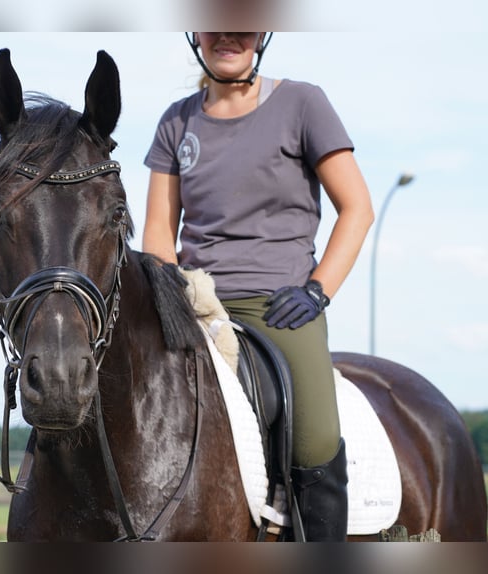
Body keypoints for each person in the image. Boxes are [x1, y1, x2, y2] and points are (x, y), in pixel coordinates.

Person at [142, 32, 374, 541]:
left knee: (313, 441)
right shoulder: (175, 121)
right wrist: (172, 296)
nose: (228, 37)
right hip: (198, 304)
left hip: (280, 305)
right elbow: (159, 231)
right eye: (214, 25)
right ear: (196, 35)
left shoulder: (303, 102)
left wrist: (317, 290)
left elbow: (357, 207)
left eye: (242, 26)